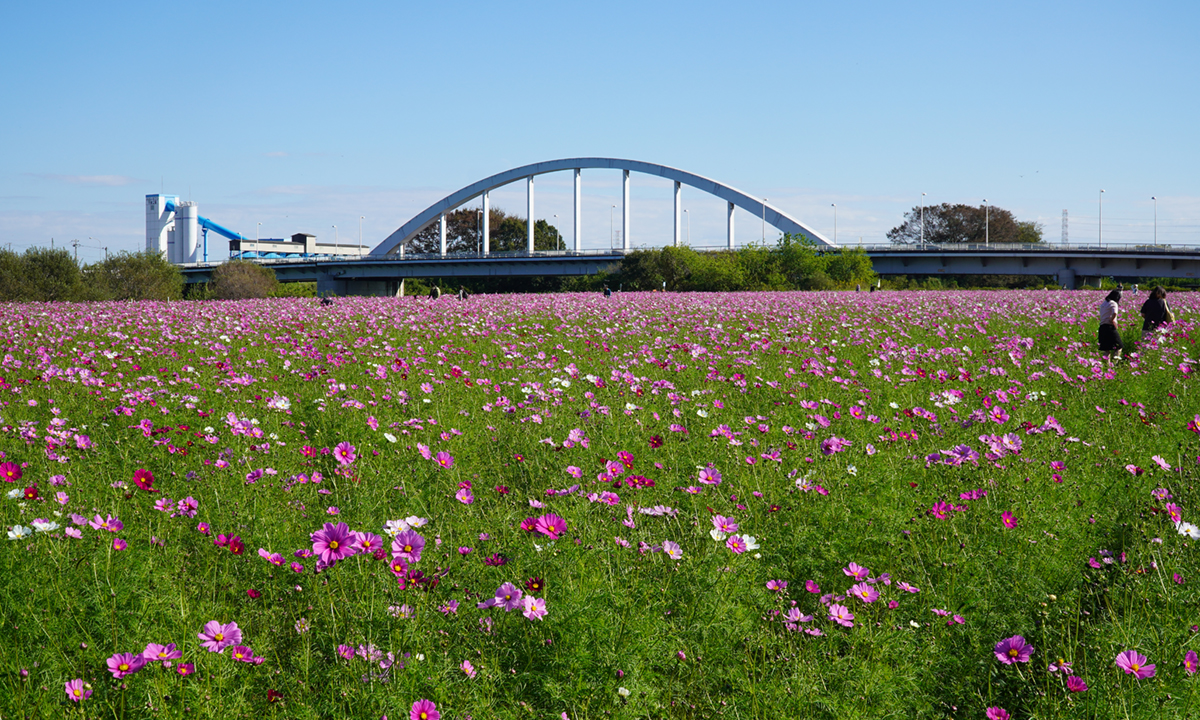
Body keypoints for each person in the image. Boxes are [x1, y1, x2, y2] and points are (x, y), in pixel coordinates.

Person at [1098, 290, 1123, 363]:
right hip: (1110, 327)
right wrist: (1112, 321)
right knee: (1119, 346)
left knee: (1106, 349)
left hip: (1102, 327)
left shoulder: (1104, 303)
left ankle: (1107, 366)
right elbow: (1114, 313)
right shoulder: (1113, 303)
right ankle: (1114, 364)